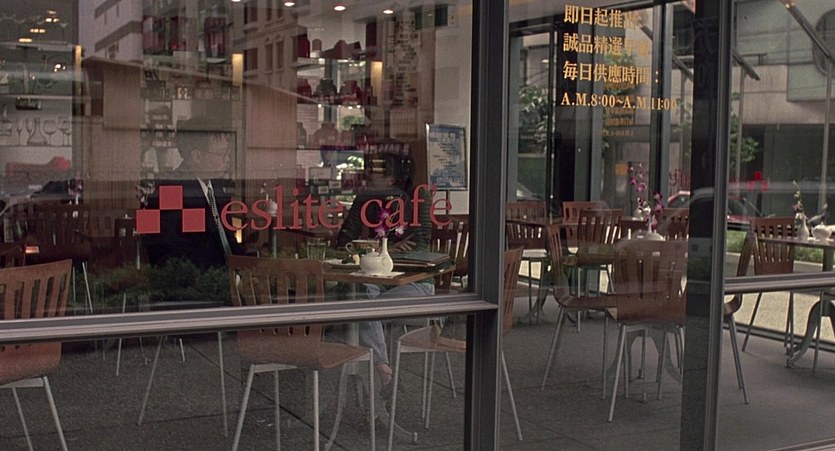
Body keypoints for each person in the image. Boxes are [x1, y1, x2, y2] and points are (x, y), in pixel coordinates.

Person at [336, 153, 434, 395]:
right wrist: (383, 247)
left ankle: (376, 375)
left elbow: (419, 246)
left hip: (415, 283)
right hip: (375, 282)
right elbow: (344, 241)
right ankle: (385, 374)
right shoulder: (365, 198)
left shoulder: (417, 198)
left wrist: (379, 248)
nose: (368, 174)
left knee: (365, 309)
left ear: (391, 178)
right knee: (364, 297)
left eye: (375, 170)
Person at [142, 119, 243, 270]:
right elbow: (171, 252)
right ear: (197, 157)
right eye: (222, 153)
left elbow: (228, 239)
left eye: (227, 153)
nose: (227, 160)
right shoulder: (171, 190)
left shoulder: (217, 187)